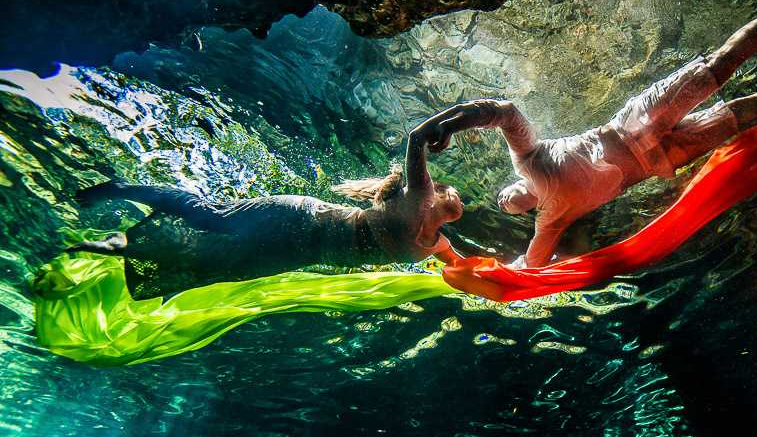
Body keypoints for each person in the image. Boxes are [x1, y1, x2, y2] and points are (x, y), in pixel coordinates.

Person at [422, 0, 757, 268]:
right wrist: (472, 274)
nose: (502, 201)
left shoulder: (529, 160)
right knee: (750, 111)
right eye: (505, 207)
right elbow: (527, 268)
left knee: (723, 63)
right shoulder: (550, 221)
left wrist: (450, 121)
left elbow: (504, 112)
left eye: (501, 195)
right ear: (526, 213)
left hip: (635, 124)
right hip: (662, 161)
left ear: (513, 184)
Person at [67, 113, 465, 299]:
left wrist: (517, 278)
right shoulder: (419, 197)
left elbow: (461, 266)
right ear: (436, 190)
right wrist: (450, 125)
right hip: (298, 217)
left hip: (298, 252)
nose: (461, 199)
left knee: (216, 268)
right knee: (213, 218)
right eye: (455, 193)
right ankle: (121, 188)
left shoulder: (436, 243)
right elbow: (417, 135)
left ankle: (122, 245)